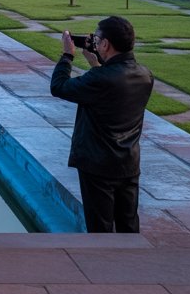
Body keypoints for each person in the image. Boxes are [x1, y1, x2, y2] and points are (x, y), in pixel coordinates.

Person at [51, 15, 154, 233]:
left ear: (106, 44)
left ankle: (102, 267)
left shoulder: (100, 79)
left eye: (97, 39)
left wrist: (67, 55)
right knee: (128, 226)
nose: (95, 43)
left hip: (98, 166)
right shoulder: (145, 75)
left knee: (100, 230)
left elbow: (59, 86)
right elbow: (110, 92)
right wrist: (96, 64)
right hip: (128, 163)